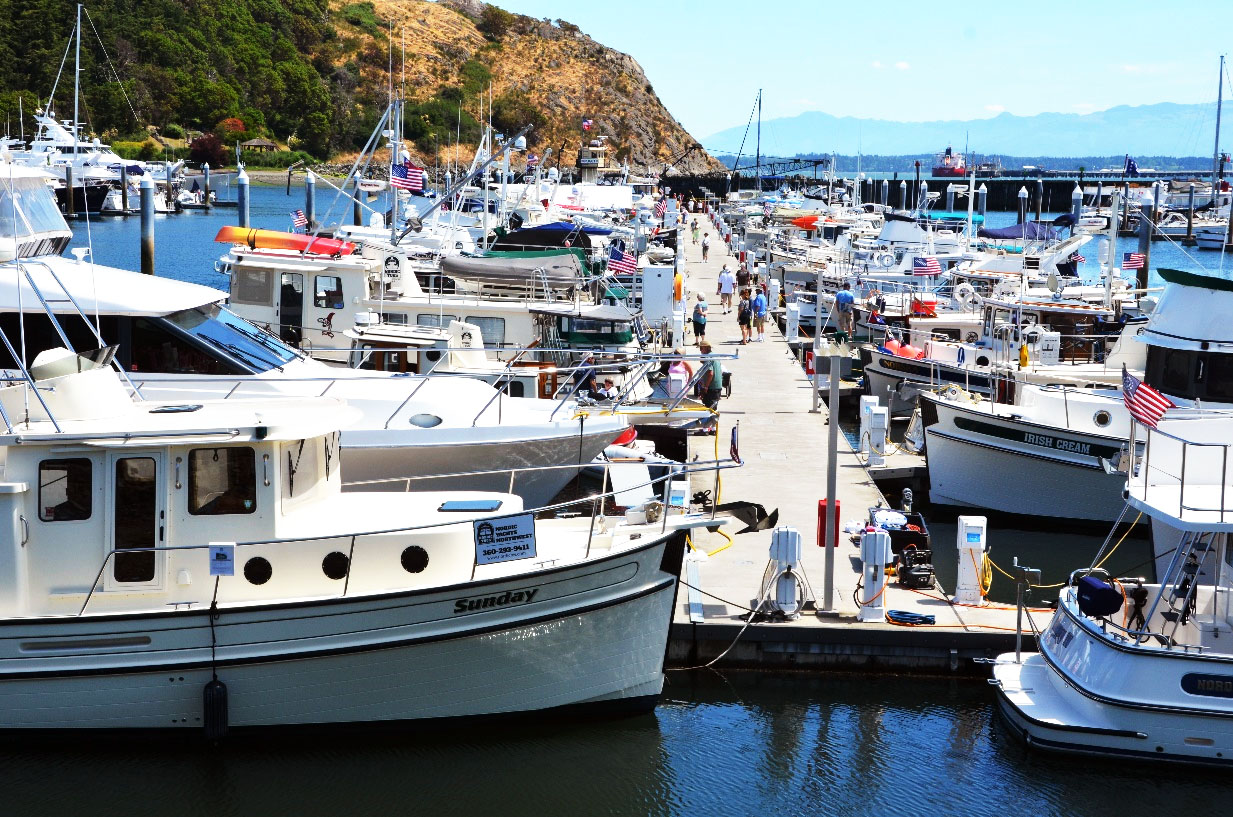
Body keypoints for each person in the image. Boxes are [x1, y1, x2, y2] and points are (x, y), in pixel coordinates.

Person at [697, 340, 723, 421]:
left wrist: (705, 387)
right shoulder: (714, 356)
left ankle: (706, 429)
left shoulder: (708, 357)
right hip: (718, 386)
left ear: (705, 348)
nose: (700, 350)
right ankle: (712, 427)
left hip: (712, 387)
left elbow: (710, 373)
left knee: (708, 407)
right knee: (713, 408)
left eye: (701, 348)